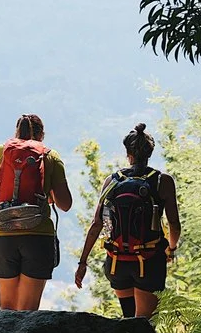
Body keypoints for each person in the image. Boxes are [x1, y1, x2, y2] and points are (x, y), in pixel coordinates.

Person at [75, 124, 182, 321]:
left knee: (128, 320)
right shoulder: (162, 181)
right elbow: (174, 224)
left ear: (127, 152)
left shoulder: (113, 181)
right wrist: (171, 249)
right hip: (149, 262)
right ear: (150, 152)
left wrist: (83, 263)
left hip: (117, 262)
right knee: (145, 324)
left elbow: (96, 224)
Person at [0, 112, 73, 311]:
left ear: (16, 132)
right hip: (37, 236)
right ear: (42, 135)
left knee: (6, 308)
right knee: (28, 311)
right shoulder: (50, 156)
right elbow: (65, 204)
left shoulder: (0, 152)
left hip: (2, 234)